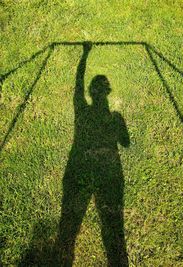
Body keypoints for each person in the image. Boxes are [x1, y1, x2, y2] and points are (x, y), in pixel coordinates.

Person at [57, 42, 130, 267]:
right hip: (108, 173)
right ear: (108, 92)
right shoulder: (115, 117)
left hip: (80, 168)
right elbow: (126, 144)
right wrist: (118, 125)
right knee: (114, 231)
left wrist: (85, 54)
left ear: (92, 92)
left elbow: (77, 85)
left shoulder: (82, 109)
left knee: (68, 228)